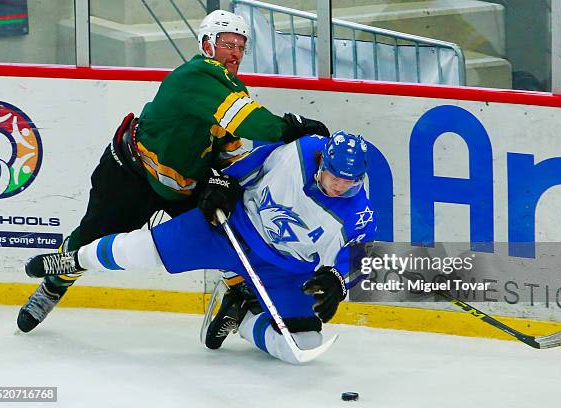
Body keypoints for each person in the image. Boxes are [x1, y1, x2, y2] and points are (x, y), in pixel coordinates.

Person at [17, 9, 330, 333]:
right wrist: (289, 127)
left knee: (227, 233)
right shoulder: (198, 76)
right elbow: (249, 121)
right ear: (207, 45)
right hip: (131, 173)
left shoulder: (232, 89)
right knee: (90, 239)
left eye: (240, 46)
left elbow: (232, 152)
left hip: (185, 182)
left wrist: (224, 183)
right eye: (227, 44)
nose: (235, 53)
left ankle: (237, 297)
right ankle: (52, 285)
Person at [25, 131, 376, 364]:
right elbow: (250, 163)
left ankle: (242, 316)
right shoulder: (299, 152)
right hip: (229, 228)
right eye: (334, 177)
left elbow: (355, 258)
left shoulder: (358, 212)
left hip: (282, 269)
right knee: (141, 250)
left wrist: (337, 280)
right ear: (322, 164)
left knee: (304, 346)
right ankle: (74, 259)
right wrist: (222, 183)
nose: (339, 187)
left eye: (349, 183)